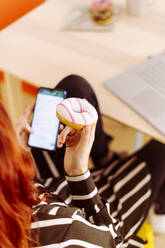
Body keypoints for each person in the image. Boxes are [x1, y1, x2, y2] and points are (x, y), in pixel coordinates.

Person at [0, 75, 164, 248]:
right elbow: (110, 240)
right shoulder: (65, 229)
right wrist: (78, 173)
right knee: (160, 147)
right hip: (88, 207)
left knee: (73, 88)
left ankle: (105, 158)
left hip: (34, 189)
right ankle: (161, 210)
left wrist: (17, 153)